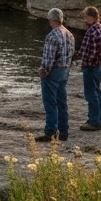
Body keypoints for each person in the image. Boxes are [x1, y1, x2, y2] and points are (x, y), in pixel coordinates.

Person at [35, 8, 74, 142]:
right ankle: (64, 131)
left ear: (52, 20)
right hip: (65, 70)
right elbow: (71, 54)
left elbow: (49, 58)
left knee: (50, 103)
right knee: (62, 102)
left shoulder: (52, 35)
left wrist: (43, 70)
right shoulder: (69, 34)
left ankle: (50, 131)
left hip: (53, 72)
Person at [74, 6, 101, 131]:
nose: (85, 19)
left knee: (91, 94)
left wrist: (82, 62)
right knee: (97, 93)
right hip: (100, 66)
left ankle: (94, 121)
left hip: (92, 67)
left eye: (86, 16)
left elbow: (92, 53)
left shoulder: (92, 31)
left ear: (92, 17)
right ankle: (98, 119)